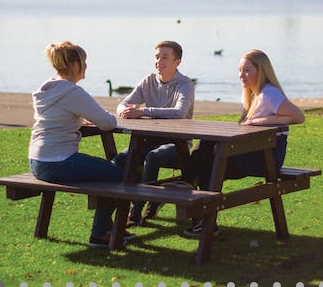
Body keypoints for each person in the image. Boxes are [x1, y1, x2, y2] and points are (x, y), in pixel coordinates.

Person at [183, 49, 305, 237]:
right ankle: (198, 210)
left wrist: (262, 121)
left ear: (261, 70)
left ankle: (189, 189)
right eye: (240, 70)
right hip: (254, 150)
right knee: (206, 150)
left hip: (267, 157)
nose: (241, 75)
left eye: (247, 70)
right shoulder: (250, 94)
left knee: (210, 163)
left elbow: (298, 116)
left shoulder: (269, 94)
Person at [28, 41, 135, 248]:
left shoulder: (48, 89)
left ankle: (109, 228)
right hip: (59, 162)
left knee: (105, 171)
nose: (86, 67)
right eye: (84, 62)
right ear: (75, 65)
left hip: (37, 161)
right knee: (117, 175)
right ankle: (101, 233)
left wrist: (77, 118)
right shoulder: (72, 92)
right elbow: (107, 123)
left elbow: (58, 116)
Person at [113, 40, 195, 227]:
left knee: (152, 157)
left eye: (165, 57)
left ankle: (136, 210)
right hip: (149, 140)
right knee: (122, 158)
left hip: (178, 144)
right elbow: (123, 104)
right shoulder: (148, 81)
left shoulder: (185, 84)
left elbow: (179, 112)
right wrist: (124, 110)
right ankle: (113, 205)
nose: (159, 61)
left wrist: (143, 111)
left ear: (177, 62)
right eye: (157, 57)